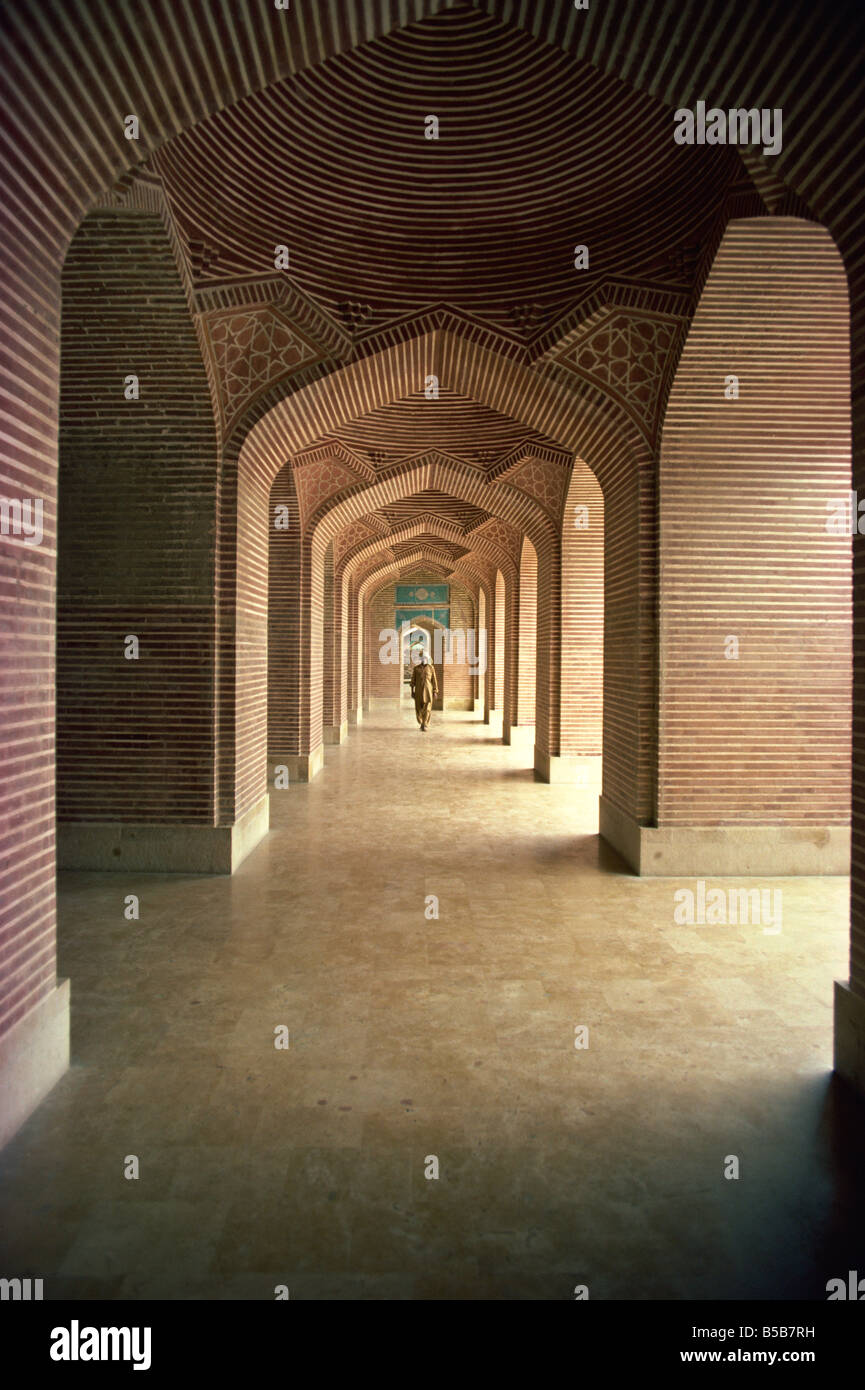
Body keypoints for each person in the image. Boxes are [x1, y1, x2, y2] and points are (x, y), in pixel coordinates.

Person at [410, 651, 438, 732]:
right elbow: (413, 681)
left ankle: (424, 724)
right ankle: (421, 722)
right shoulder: (416, 668)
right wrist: (412, 692)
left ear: (428, 658)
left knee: (427, 708)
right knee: (418, 709)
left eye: (425, 658)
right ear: (420, 659)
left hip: (428, 691)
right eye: (422, 658)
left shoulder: (431, 668)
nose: (424, 659)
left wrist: (435, 691)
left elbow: (434, 680)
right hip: (418, 691)